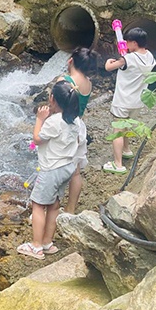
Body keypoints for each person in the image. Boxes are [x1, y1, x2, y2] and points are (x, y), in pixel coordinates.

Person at [18, 81, 85, 260]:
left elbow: (37, 139)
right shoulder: (76, 120)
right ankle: (47, 242)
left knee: (38, 205)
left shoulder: (54, 121)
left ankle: (36, 246)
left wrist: (40, 119)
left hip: (51, 170)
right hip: (67, 168)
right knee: (54, 205)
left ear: (52, 99)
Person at [104, 27, 155, 174]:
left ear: (134, 43)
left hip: (123, 101)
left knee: (118, 131)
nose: (125, 44)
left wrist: (109, 61)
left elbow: (109, 67)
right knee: (127, 125)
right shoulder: (150, 56)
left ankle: (118, 164)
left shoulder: (128, 58)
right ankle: (126, 150)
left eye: (127, 42)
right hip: (137, 102)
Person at [58, 47, 98, 214]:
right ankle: (71, 208)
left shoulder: (65, 80)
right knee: (75, 173)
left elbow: (55, 107)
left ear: (71, 61)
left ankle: (50, 207)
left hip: (63, 127)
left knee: (56, 169)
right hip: (79, 128)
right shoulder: (88, 83)